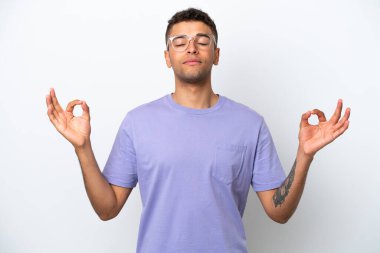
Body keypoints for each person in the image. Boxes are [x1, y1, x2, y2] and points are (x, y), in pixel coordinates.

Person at [46, 7, 350, 253]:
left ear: (216, 55)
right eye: (179, 42)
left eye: (203, 41)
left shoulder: (250, 124)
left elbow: (278, 212)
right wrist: (82, 148)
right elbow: (107, 208)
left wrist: (304, 155)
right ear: (167, 57)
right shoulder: (137, 122)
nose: (191, 47)